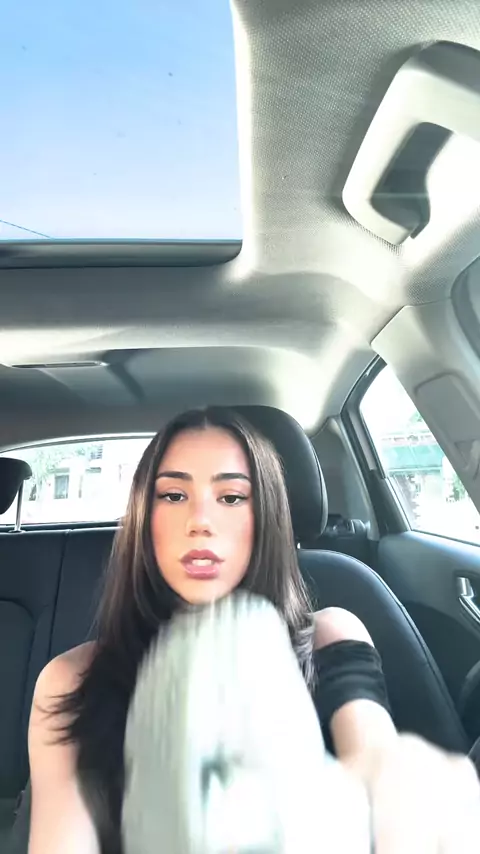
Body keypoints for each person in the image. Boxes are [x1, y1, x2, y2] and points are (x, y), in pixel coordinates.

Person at [27, 407, 480, 854]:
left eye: (230, 498)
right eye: (174, 495)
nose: (200, 521)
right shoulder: (72, 679)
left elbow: (373, 755)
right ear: (145, 518)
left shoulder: (329, 637)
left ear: (265, 516)